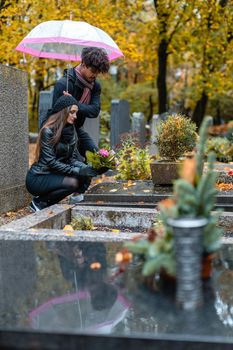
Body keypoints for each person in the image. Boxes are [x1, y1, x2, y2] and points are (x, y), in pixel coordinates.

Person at [51, 47, 110, 204]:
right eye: (93, 70)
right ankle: (68, 195)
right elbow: (56, 115)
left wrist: (74, 103)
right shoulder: (64, 84)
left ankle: (79, 194)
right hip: (62, 132)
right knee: (81, 166)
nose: (95, 75)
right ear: (83, 64)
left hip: (78, 129)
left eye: (99, 71)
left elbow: (94, 111)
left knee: (100, 160)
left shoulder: (95, 86)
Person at [26, 95, 98, 212]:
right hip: (39, 176)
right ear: (63, 112)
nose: (75, 116)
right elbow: (50, 161)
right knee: (73, 182)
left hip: (55, 174)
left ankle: (50, 202)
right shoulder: (48, 131)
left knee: (83, 177)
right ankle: (39, 203)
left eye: (76, 113)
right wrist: (77, 171)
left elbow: (72, 159)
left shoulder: (71, 130)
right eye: (72, 112)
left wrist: (87, 169)